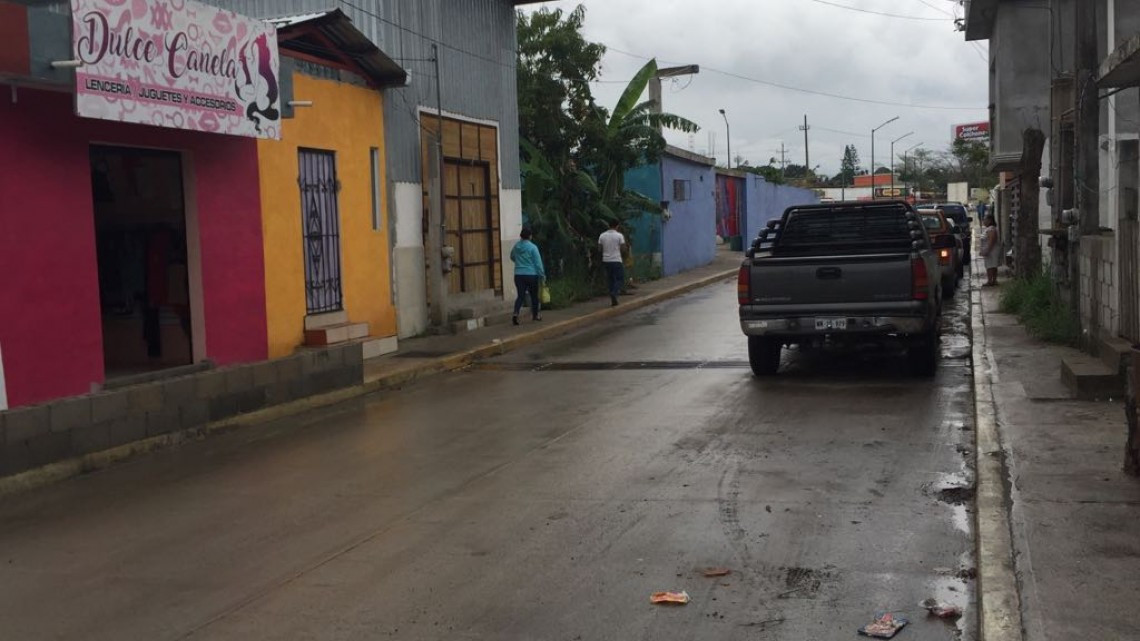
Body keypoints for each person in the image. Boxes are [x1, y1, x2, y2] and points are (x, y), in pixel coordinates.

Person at [509, 227, 545, 325]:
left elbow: (512, 256)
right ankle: (535, 315)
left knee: (520, 296)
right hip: (531, 275)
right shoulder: (533, 247)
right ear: (530, 236)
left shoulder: (516, 246)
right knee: (534, 296)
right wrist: (542, 275)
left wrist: (519, 263)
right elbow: (538, 263)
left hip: (518, 275)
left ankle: (515, 314)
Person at [599, 221, 627, 306]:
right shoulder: (619, 236)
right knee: (620, 279)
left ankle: (613, 299)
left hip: (606, 260)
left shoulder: (602, 235)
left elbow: (599, 249)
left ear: (608, 225)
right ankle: (614, 293)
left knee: (610, 279)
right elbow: (623, 249)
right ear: (617, 226)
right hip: (616, 260)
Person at [980, 214, 1001, 287]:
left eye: (985, 219)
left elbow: (992, 240)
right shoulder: (989, 229)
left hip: (991, 251)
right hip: (991, 250)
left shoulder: (991, 229)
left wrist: (987, 250)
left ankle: (990, 281)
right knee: (992, 265)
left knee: (990, 266)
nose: (984, 221)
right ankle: (993, 280)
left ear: (990, 221)